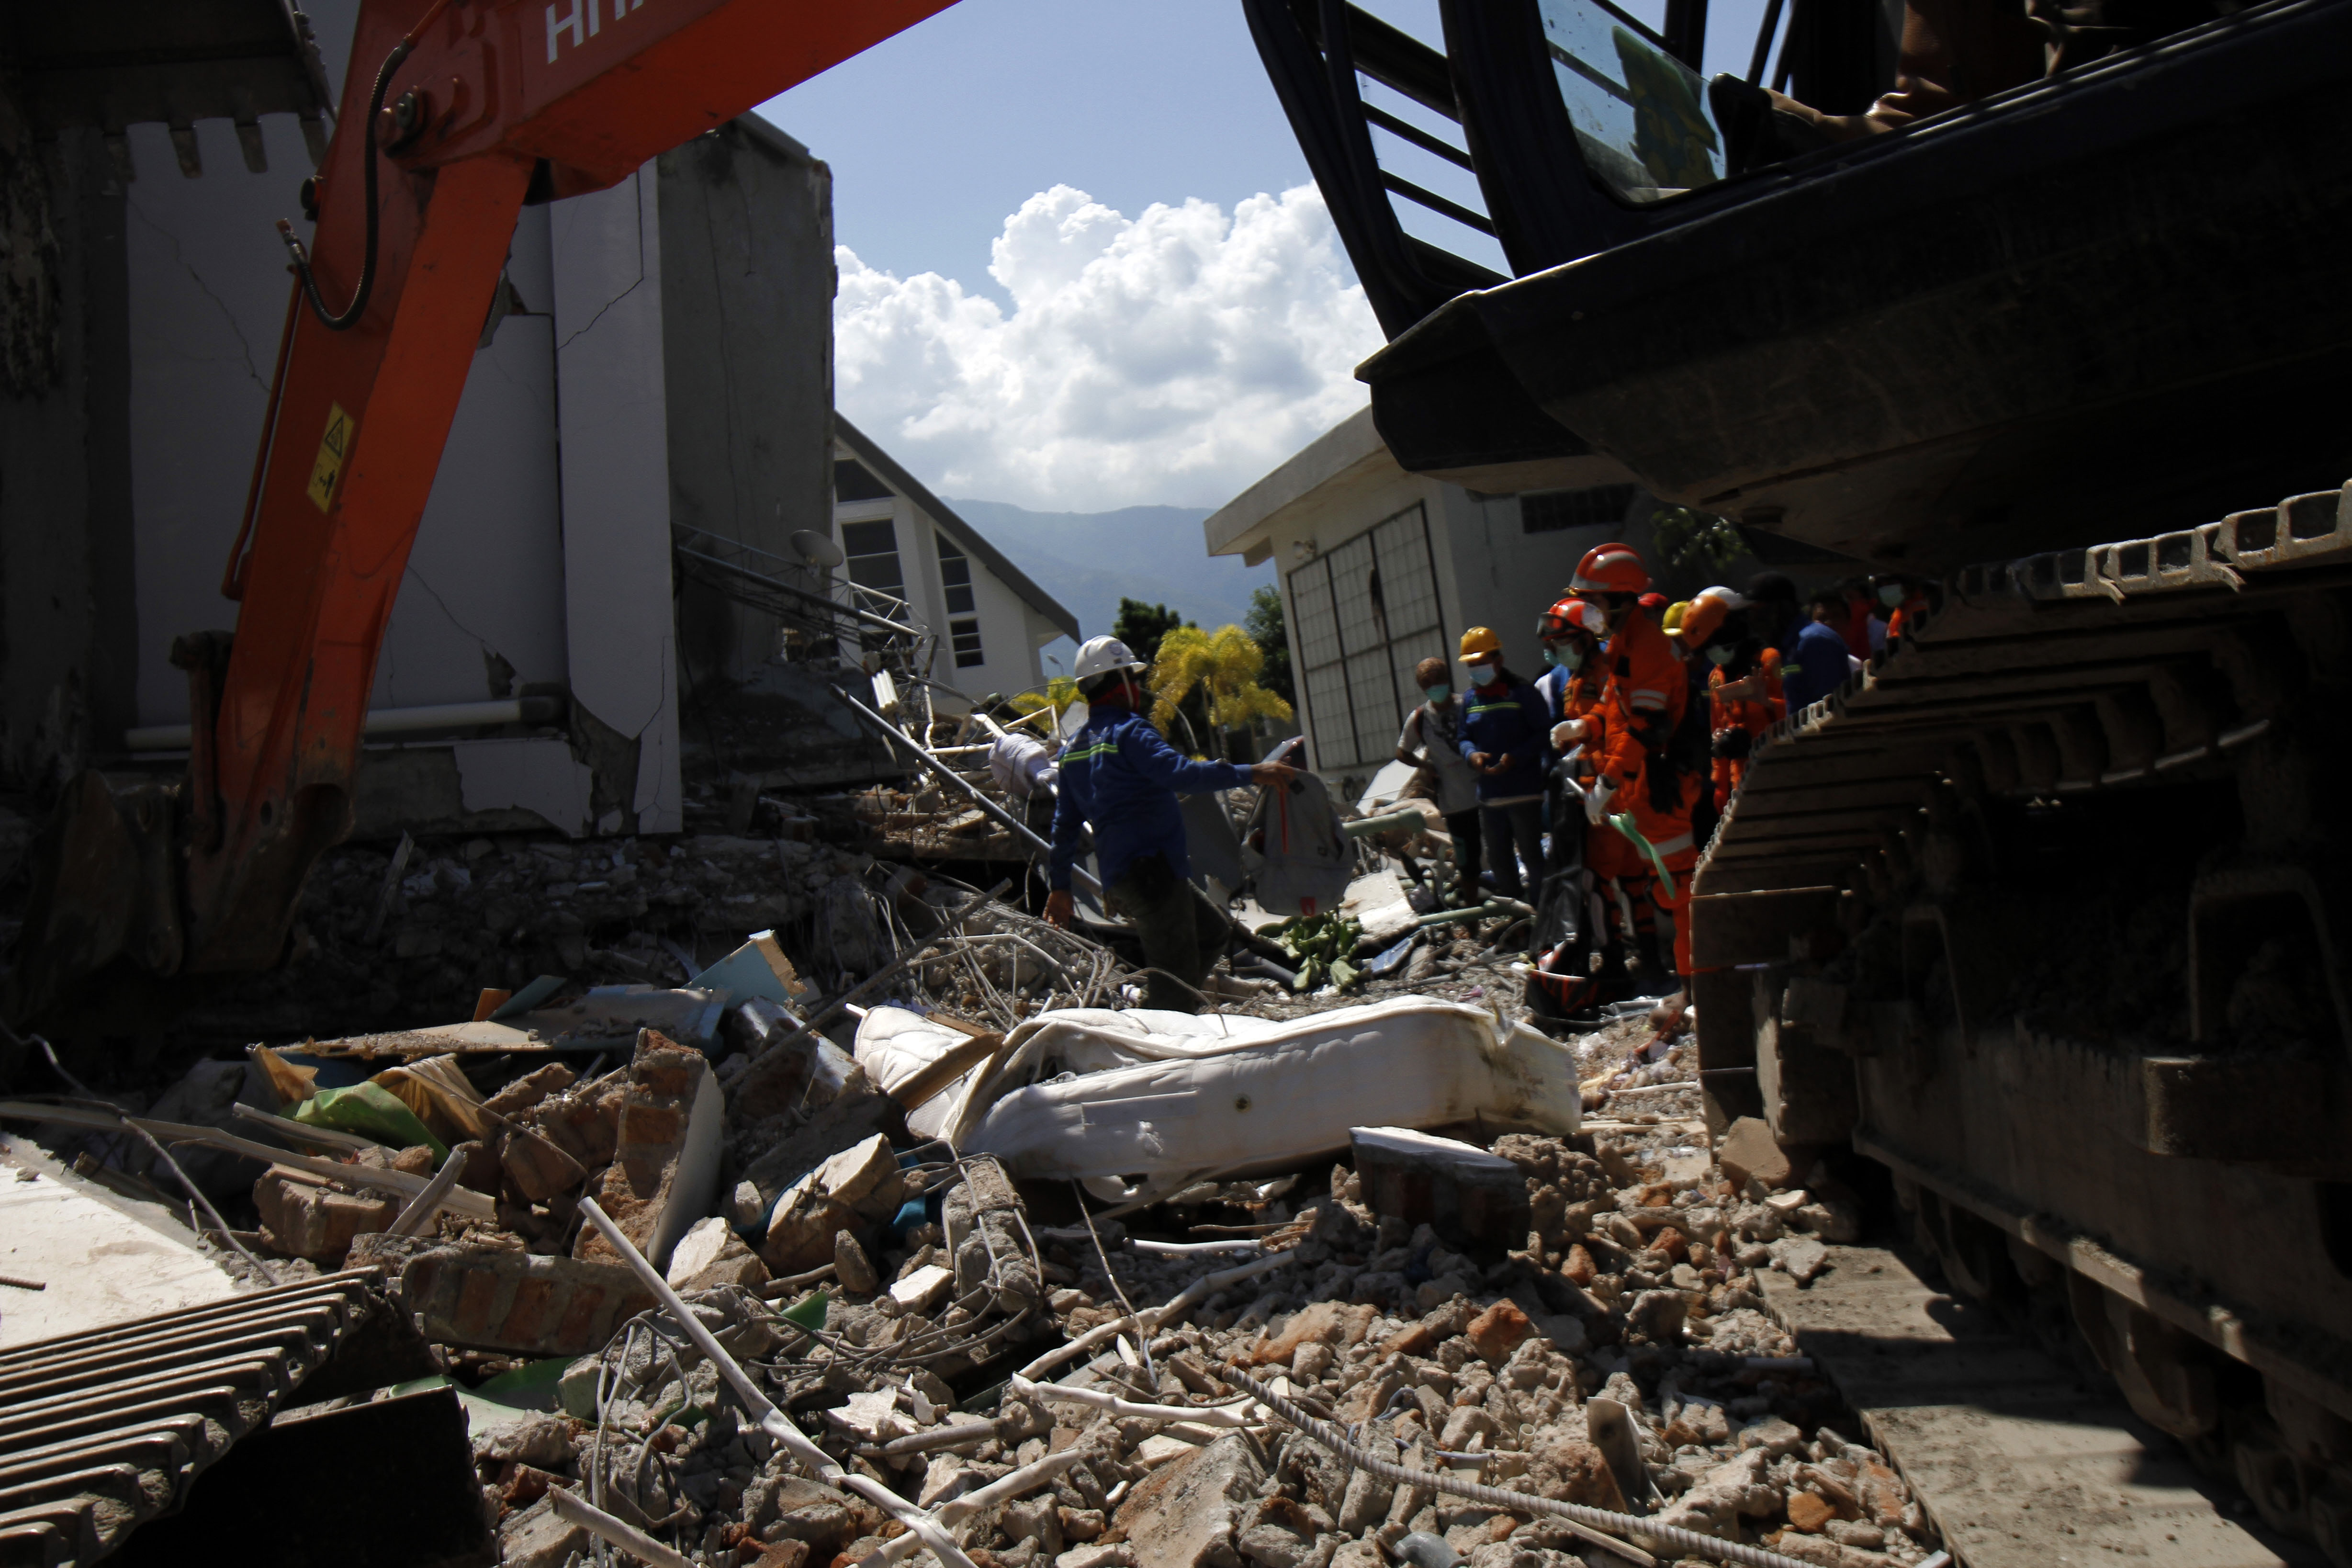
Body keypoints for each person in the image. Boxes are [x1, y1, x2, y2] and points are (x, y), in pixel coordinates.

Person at [1044, 634, 1296, 1011]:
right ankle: (1165, 1020)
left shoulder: (1073, 751)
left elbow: (1065, 825)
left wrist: (1060, 887)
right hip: (1153, 874)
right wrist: (1253, 772)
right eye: (1132, 678)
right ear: (1120, 683)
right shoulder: (1130, 732)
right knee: (1173, 982)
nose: (1137, 687)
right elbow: (1181, 774)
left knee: (1212, 933)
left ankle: (1166, 1005)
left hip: (1124, 876)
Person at [1573, 542, 1704, 991]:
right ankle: (1688, 985)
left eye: (1592, 600)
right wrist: (1583, 727)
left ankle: (1695, 989)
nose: (1587, 610)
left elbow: (1645, 726)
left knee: (1681, 892)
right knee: (1666, 889)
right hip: (1645, 790)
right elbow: (1614, 710)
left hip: (1663, 787)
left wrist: (1607, 782)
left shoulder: (1646, 647)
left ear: (1619, 598)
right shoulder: (1623, 645)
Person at [1454, 627, 1552, 906]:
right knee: (1498, 858)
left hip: (1524, 793)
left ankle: (1543, 911)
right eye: (1471, 664)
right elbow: (1463, 738)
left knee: (1532, 855)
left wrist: (1516, 758)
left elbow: (1543, 735)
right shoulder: (1470, 700)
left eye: (1481, 662)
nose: (1476, 669)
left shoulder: (1523, 693)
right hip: (1490, 796)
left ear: (1498, 661)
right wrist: (1472, 755)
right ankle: (1516, 911)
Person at [1682, 587, 1783, 810]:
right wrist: (1720, 787)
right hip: (1741, 785)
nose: (1713, 652)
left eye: (1714, 643)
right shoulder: (1716, 677)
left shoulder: (1768, 661)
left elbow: (1799, 716)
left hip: (1778, 776)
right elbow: (1717, 731)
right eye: (1707, 648)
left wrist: (1767, 703)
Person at [1394, 655, 1483, 905]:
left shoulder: (1467, 704)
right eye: (1428, 683)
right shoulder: (1421, 718)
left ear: (1447, 678)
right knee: (1467, 861)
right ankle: (1473, 911)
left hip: (1484, 794)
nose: (1434, 687)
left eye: (1438, 680)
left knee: (1495, 851)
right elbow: (1402, 751)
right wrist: (1425, 765)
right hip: (1454, 803)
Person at [1780, 587, 1862, 714]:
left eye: (1837, 616)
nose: (1829, 623)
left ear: (1848, 623)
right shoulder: (1795, 664)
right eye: (1822, 618)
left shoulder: (1857, 667)